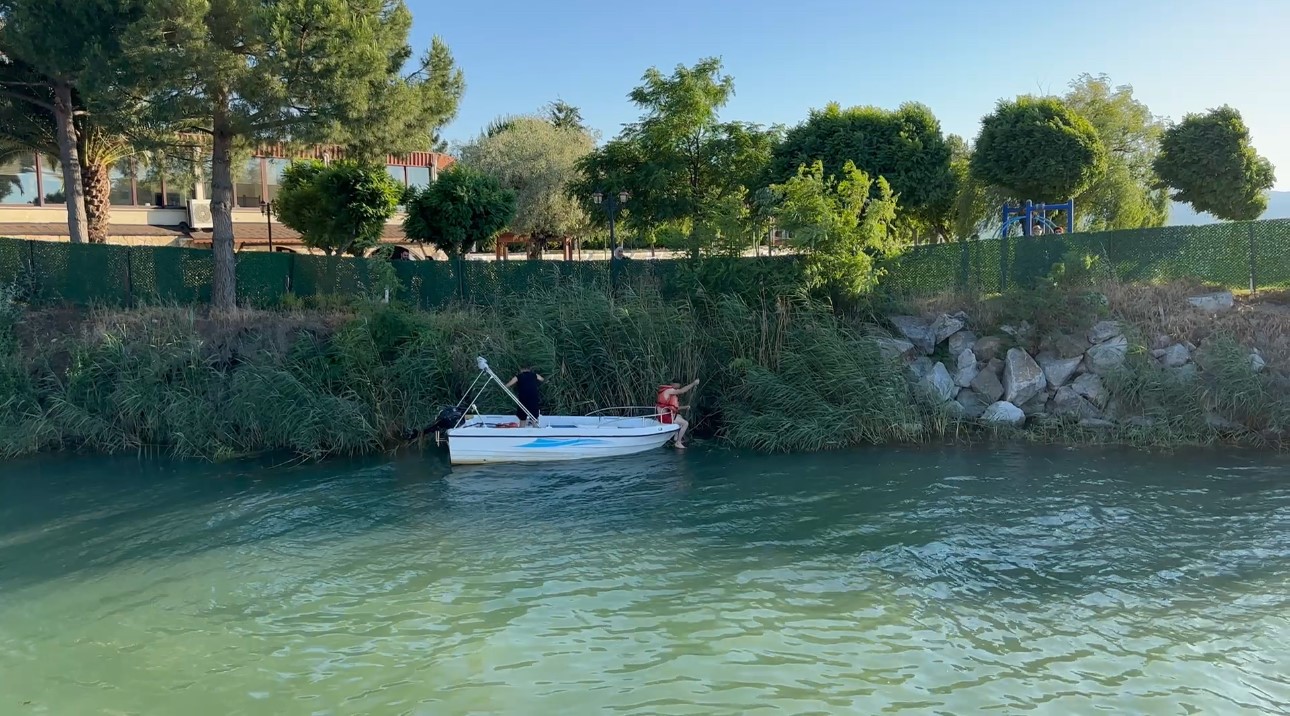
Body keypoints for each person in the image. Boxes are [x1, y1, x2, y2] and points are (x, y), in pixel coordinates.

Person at [656, 378, 699, 448]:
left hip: (664, 415)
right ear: (674, 384)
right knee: (685, 423)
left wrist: (685, 407)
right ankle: (678, 442)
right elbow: (682, 391)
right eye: (679, 385)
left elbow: (673, 408)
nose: (679, 387)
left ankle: (676, 438)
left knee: (680, 416)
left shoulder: (668, 392)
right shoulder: (669, 390)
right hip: (665, 417)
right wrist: (693, 384)